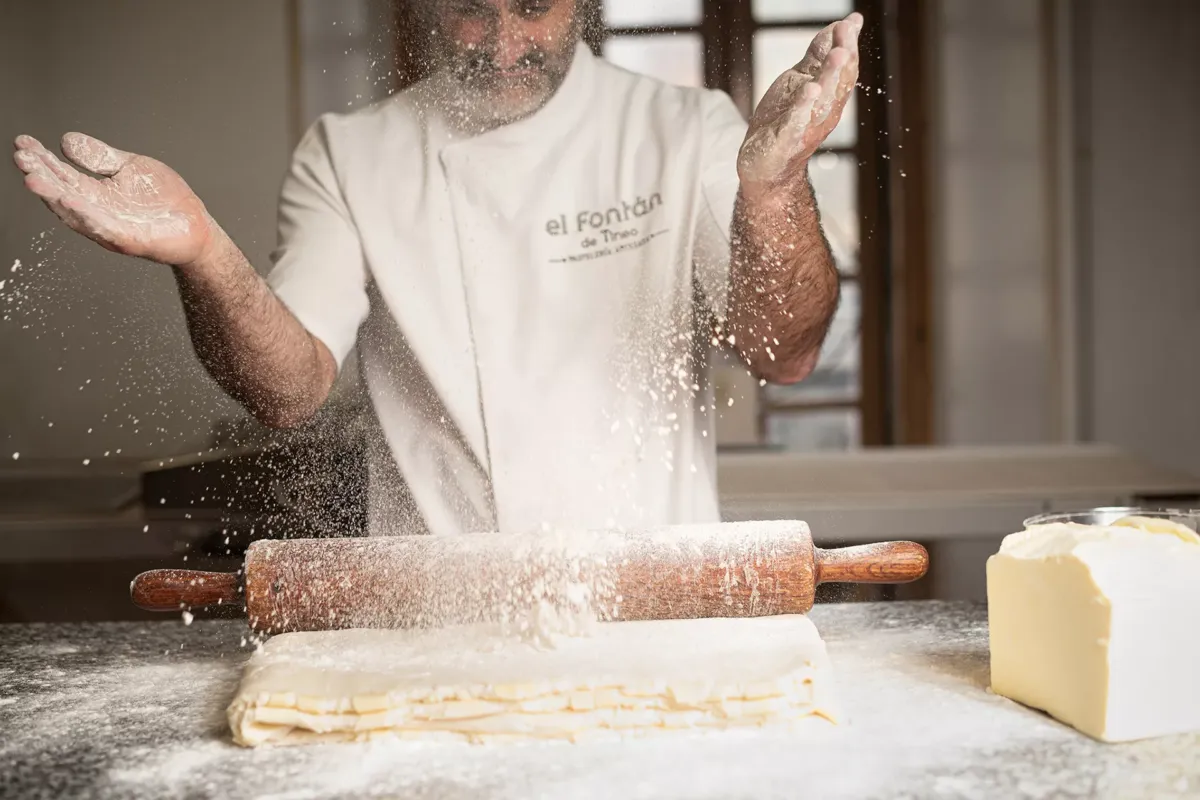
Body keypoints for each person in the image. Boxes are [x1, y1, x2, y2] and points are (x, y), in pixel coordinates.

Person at [11, 1, 860, 537]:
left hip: (651, 596)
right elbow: (288, 391)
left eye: (533, 7)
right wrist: (203, 253)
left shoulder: (686, 130)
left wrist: (774, 189)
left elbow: (782, 352)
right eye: (468, 9)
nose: (501, 43)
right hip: (434, 612)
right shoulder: (352, 154)